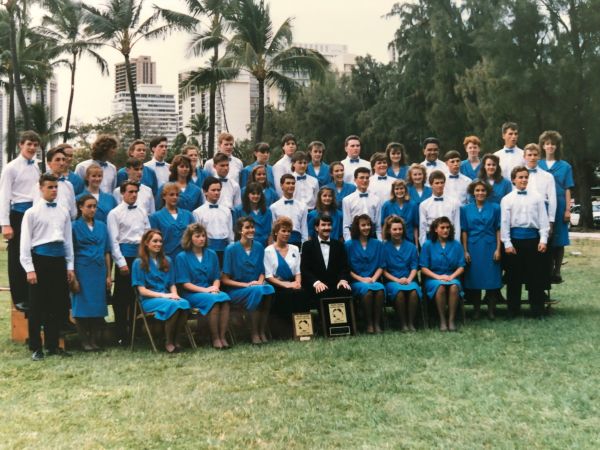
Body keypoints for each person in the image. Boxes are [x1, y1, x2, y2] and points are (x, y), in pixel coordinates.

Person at [20, 174, 74, 360]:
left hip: (59, 260)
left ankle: (53, 345)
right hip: (40, 261)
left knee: (57, 305)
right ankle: (36, 347)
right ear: (41, 188)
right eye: (50, 187)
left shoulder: (64, 211)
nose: (53, 190)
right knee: (37, 306)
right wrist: (29, 268)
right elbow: (25, 243)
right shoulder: (32, 213)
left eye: (55, 187)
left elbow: (67, 241)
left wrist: (70, 265)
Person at [500, 166, 550, 319]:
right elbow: (504, 223)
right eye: (520, 177)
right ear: (513, 180)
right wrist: (507, 243)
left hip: (533, 241)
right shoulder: (507, 199)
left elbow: (543, 220)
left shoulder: (537, 197)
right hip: (515, 242)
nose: (523, 180)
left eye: (525, 177)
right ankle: (513, 310)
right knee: (513, 277)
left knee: (536, 277)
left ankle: (537, 310)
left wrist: (543, 240)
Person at [0, 131, 41, 311]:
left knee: (32, 254)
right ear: (20, 145)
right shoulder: (11, 167)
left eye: (34, 145)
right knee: (17, 255)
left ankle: (33, 295)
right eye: (29, 144)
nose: (32, 148)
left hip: (35, 213)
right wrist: (5, 224)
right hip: (17, 214)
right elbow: (4, 196)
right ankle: (19, 298)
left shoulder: (37, 166)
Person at [132, 230, 191, 353]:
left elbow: (172, 284)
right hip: (149, 300)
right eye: (155, 241)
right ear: (146, 243)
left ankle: (176, 339)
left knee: (184, 303)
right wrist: (165, 296)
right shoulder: (139, 263)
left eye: (160, 241)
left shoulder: (167, 260)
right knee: (174, 305)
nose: (158, 244)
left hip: (167, 297)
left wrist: (174, 294)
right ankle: (168, 341)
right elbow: (142, 291)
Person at [107, 181, 151, 345]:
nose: (133, 195)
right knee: (121, 298)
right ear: (122, 194)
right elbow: (114, 240)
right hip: (125, 257)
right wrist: (121, 262)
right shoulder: (114, 213)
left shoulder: (142, 211)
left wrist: (147, 256)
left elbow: (148, 233)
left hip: (140, 257)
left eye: (136, 192)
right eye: (130, 192)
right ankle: (121, 334)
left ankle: (136, 331)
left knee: (138, 295)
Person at [175, 223, 231, 349]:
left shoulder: (211, 254)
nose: (201, 239)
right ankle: (215, 338)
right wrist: (206, 290)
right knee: (215, 301)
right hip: (192, 293)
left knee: (225, 298)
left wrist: (215, 287)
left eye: (203, 236)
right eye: (197, 236)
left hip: (211, 291)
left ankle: (223, 336)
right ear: (190, 238)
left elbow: (216, 277)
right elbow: (185, 284)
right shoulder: (182, 257)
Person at [221, 216, 275, 345]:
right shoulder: (231, 249)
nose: (251, 230)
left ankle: (262, 331)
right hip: (237, 290)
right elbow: (225, 280)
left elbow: (262, 272)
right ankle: (254, 333)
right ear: (240, 231)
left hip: (257, 286)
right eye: (247, 227)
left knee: (268, 289)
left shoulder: (259, 247)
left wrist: (260, 281)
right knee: (257, 291)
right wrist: (246, 285)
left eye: (252, 227)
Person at [71, 194, 111, 351]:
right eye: (89, 206)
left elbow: (107, 251)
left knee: (98, 306)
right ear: (81, 207)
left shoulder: (102, 226)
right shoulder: (73, 226)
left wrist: (108, 274)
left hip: (99, 269)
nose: (92, 209)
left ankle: (94, 340)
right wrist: (73, 276)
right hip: (82, 269)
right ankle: (84, 341)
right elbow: (71, 252)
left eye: (95, 206)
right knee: (81, 306)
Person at [460, 181, 502, 320]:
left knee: (491, 280)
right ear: (473, 192)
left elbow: (498, 229)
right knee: (475, 280)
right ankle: (476, 310)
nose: (480, 193)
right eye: (477, 190)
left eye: (483, 190)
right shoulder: (465, 209)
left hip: (490, 247)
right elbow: (464, 231)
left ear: (487, 192)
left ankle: (491, 311)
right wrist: (465, 250)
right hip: (473, 247)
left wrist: (498, 249)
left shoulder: (495, 208)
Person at [538, 130, 574, 283]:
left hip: (559, 205)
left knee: (559, 239)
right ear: (543, 146)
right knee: (544, 238)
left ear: (557, 146)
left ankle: (557, 271)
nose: (550, 146)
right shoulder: (538, 163)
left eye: (553, 144)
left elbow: (567, 188)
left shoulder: (565, 166)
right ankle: (543, 269)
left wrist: (567, 209)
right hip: (541, 204)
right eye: (547, 144)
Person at [419, 216, 466, 332]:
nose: (445, 230)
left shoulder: (456, 245)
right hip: (433, 278)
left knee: (454, 287)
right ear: (435, 229)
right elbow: (423, 268)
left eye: (448, 228)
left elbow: (461, 266)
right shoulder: (428, 245)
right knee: (440, 287)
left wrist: (451, 277)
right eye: (442, 227)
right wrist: (439, 277)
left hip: (451, 276)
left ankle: (451, 320)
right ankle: (442, 320)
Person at [345, 214, 385, 334]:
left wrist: (373, 279)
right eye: (363, 225)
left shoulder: (377, 244)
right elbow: (347, 269)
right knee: (367, 292)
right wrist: (362, 279)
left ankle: (376, 323)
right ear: (357, 227)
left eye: (368, 225)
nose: (366, 227)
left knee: (379, 290)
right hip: (357, 281)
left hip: (373, 279)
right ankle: (368, 324)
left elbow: (381, 266)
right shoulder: (349, 245)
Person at [301, 215, 352, 305]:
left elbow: (345, 267)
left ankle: (346, 319)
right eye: (323, 225)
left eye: (329, 225)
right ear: (317, 228)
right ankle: (324, 319)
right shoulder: (307, 245)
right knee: (322, 291)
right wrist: (316, 282)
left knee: (345, 289)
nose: (327, 228)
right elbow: (305, 269)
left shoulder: (339, 245)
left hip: (335, 283)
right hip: (316, 284)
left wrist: (343, 280)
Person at [382, 216, 421, 332]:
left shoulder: (411, 247)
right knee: (399, 292)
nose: (398, 232)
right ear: (389, 230)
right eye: (395, 229)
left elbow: (414, 267)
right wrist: (397, 280)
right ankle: (403, 323)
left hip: (409, 280)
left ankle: (411, 323)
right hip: (392, 281)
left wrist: (409, 279)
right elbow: (383, 270)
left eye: (400, 229)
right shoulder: (383, 247)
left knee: (413, 291)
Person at [264, 217, 306, 318]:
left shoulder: (295, 249)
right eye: (283, 231)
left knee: (301, 293)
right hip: (276, 284)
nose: (287, 234)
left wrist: (297, 283)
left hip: (292, 282)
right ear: (275, 232)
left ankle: (302, 328)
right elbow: (268, 276)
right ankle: (286, 328)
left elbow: (297, 272)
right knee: (286, 294)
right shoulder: (268, 251)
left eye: (289, 231)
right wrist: (285, 284)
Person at [193, 177, 234, 263]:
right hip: (207, 249)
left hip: (225, 250)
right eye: (213, 190)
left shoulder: (226, 211)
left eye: (218, 190)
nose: (216, 193)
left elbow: (230, 234)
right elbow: (196, 234)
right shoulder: (198, 212)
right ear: (205, 191)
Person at [149, 183, 195, 260]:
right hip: (166, 258)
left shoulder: (188, 215)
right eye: (171, 195)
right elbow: (154, 241)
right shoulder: (155, 217)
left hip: (186, 257)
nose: (175, 197)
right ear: (164, 196)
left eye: (177, 195)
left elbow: (194, 236)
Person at [418, 170, 461, 245]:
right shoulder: (424, 205)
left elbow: (457, 225)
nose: (440, 185)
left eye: (442, 183)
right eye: (437, 183)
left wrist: (456, 244)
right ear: (431, 184)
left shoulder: (454, 202)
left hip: (450, 239)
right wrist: (424, 246)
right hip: (431, 240)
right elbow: (422, 228)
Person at [36, 146, 77, 220]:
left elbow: (73, 212)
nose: (61, 163)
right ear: (49, 163)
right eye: (57, 160)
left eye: (63, 160)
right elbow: (36, 210)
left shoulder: (69, 185)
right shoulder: (40, 185)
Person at [342, 167, 382, 240]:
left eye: (367, 178)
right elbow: (346, 225)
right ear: (355, 180)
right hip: (355, 236)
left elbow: (378, 226)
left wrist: (379, 241)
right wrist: (349, 242)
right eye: (362, 178)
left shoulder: (376, 199)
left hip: (371, 236)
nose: (365, 180)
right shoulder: (347, 200)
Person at [270, 174, 308, 247]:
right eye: (288, 183)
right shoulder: (274, 207)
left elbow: (304, 229)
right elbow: (274, 230)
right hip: (280, 241)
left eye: (293, 183)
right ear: (281, 185)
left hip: (297, 241)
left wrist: (304, 247)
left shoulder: (302, 206)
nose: (291, 185)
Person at [233, 182, 273, 247]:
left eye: (258, 194)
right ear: (248, 195)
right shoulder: (238, 210)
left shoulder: (267, 211)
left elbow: (269, 233)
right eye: (253, 193)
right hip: (244, 245)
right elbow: (236, 231)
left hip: (263, 245)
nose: (256, 196)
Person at [380, 179, 419, 244]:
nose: (399, 191)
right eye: (397, 189)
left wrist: (417, 246)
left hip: (409, 240)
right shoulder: (387, 205)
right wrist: (384, 241)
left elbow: (415, 227)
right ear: (393, 191)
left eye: (401, 188)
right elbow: (383, 226)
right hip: (391, 241)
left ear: (405, 190)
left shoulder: (413, 205)